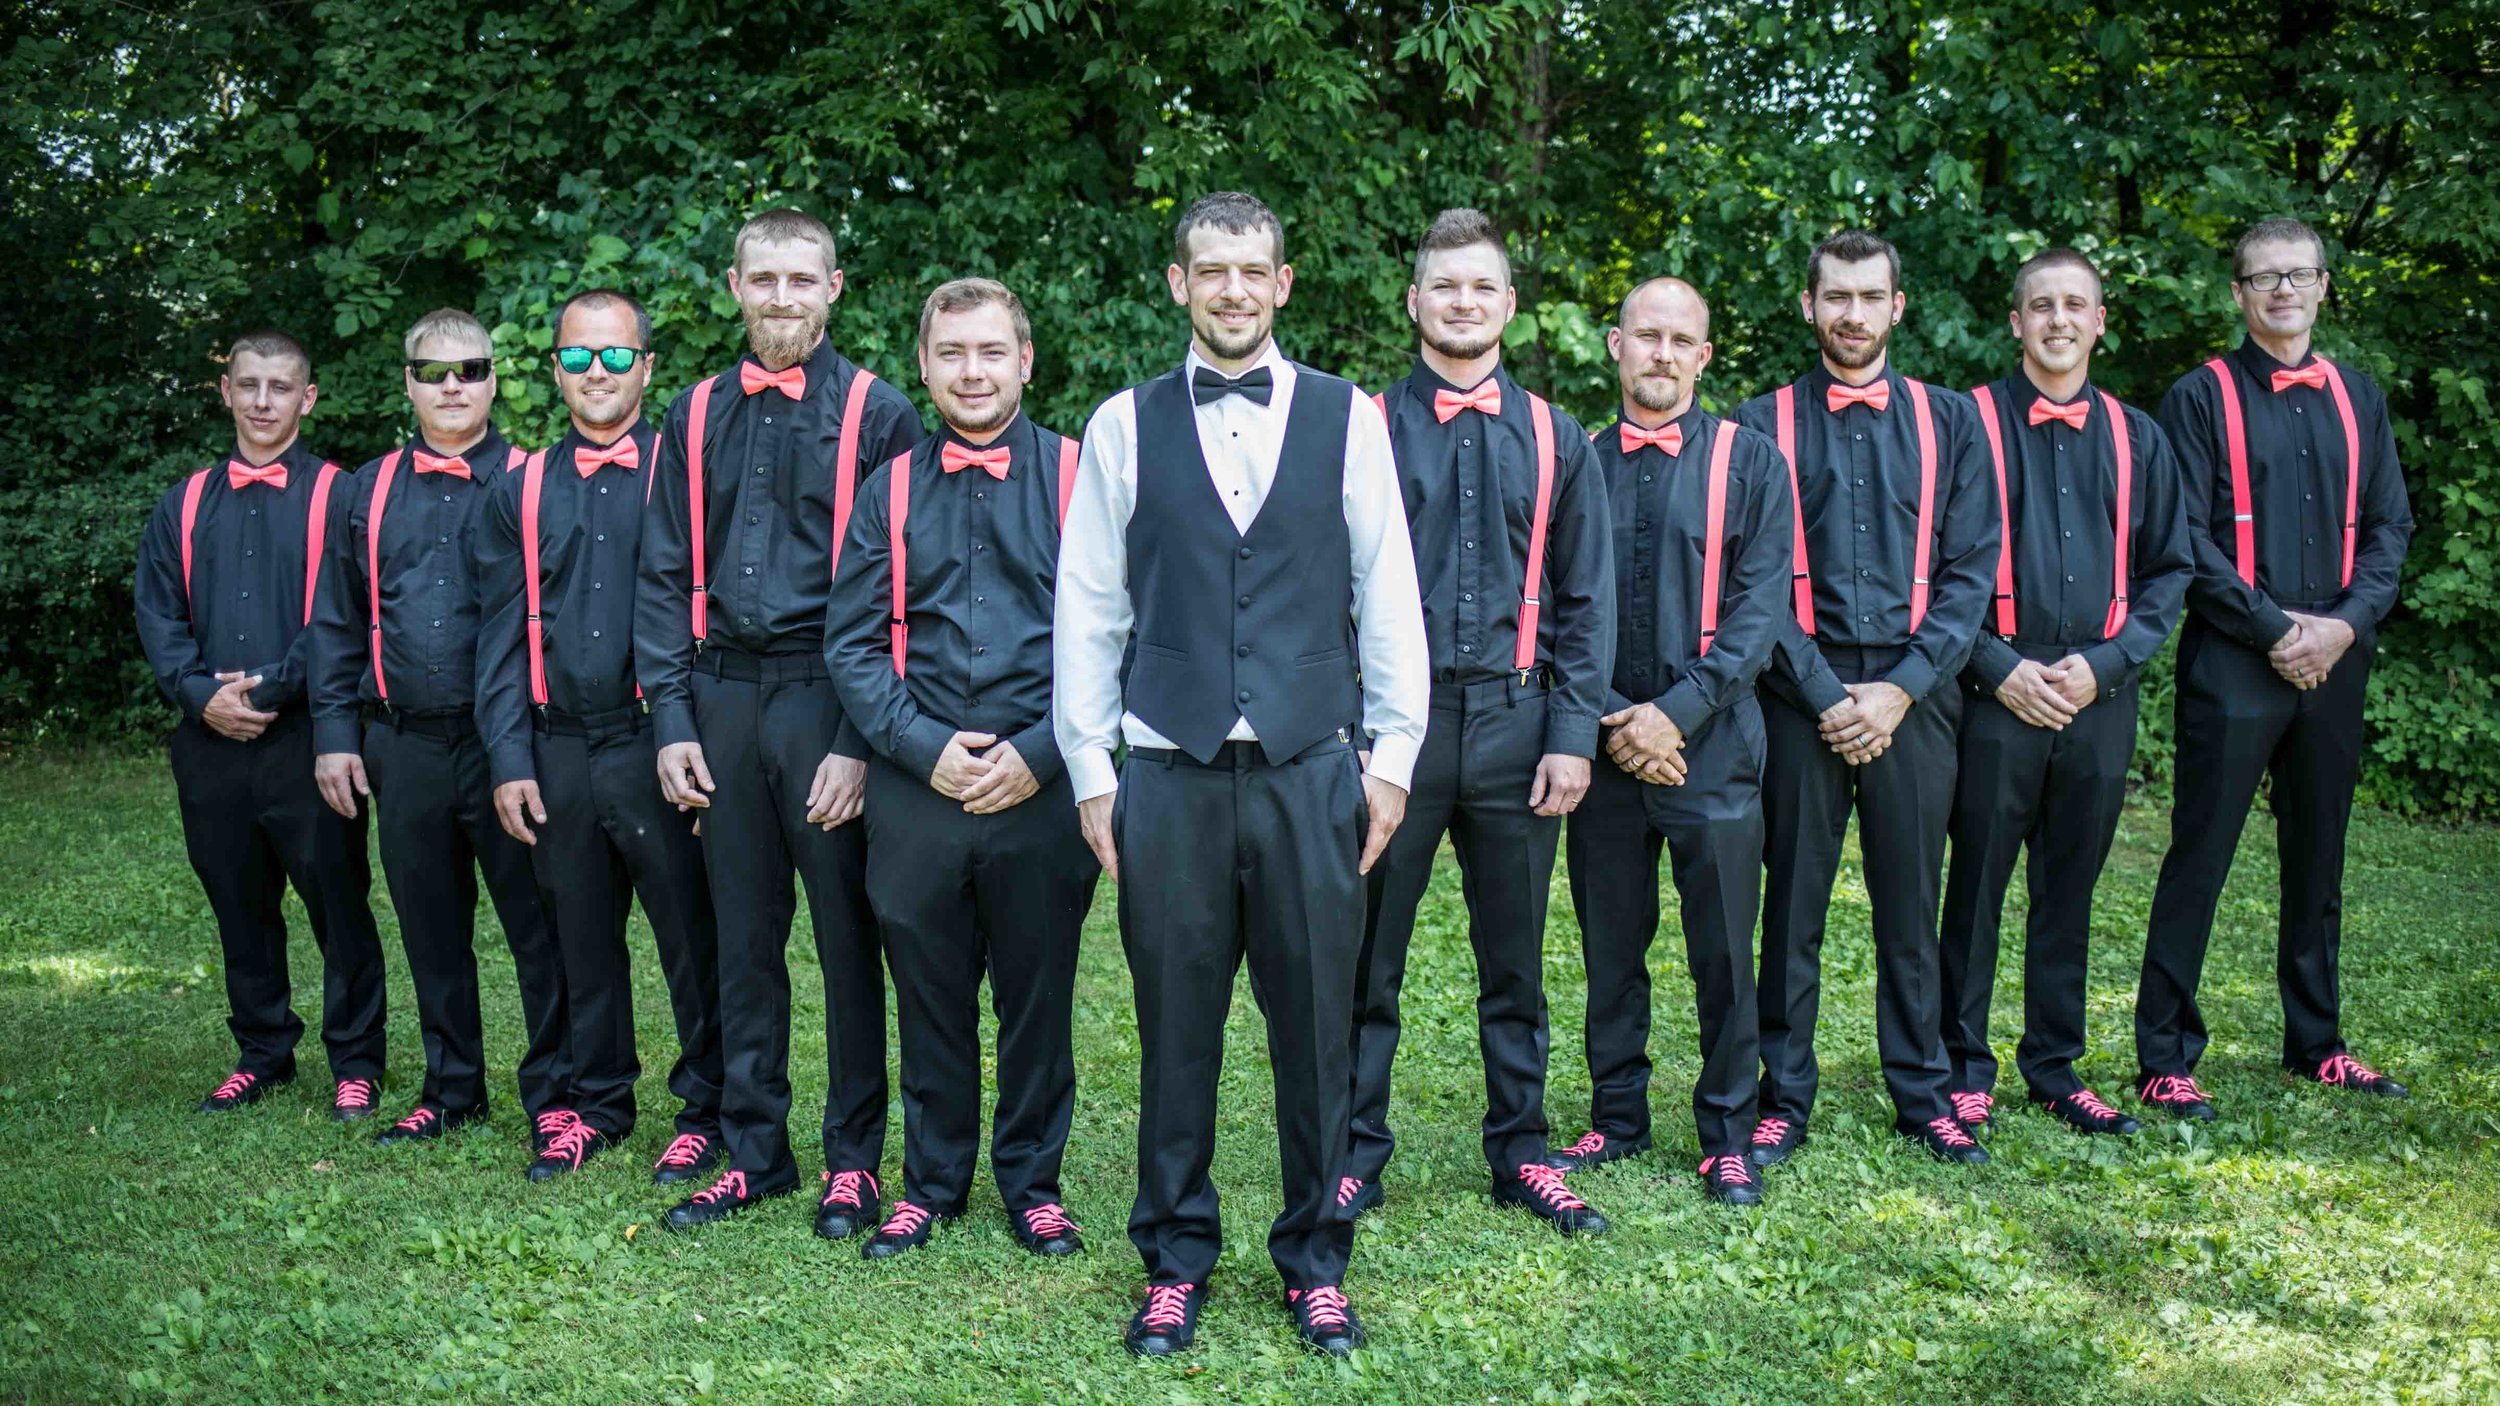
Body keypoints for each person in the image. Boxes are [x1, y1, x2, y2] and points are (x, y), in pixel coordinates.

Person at [1055, 192, 1428, 1358]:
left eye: (1250, 270)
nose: (1230, 289)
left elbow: (1388, 592)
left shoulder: (1345, 416)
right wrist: (1088, 765)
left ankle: (1316, 1255)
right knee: (1174, 1025)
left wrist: (1396, 754)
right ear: (1177, 282)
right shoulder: (1122, 422)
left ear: (1282, 282)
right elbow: (1088, 606)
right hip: (1165, 770)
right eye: (1208, 269)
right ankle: (1173, 1257)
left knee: (1318, 1027)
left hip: (1313, 770)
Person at [635, 208, 923, 1235]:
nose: (783, 298)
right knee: (740, 935)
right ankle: (756, 1148)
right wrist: (671, 719)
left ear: (834, 287)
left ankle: (854, 1157)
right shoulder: (691, 412)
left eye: (803, 280)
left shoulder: (883, 414)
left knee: (849, 938)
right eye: (765, 280)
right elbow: (663, 573)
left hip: (827, 697)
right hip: (718, 696)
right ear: (735, 286)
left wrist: (858, 740)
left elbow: (902, 587)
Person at [1343, 208, 1613, 1235]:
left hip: (1515, 720)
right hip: (1391, 731)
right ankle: (1352, 1151)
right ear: (1414, 302)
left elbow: (1586, 599)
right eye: (1443, 285)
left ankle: (1521, 1150)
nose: (1462, 302)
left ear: (1508, 305)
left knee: (1515, 958)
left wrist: (1572, 732)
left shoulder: (1557, 436)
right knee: (1368, 956)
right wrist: (1352, 735)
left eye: (1481, 286)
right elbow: (1326, 587)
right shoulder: (1361, 426)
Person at [825, 278, 1100, 1261]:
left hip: (1044, 777)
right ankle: (932, 1179)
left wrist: (1036, 753)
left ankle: (1032, 1181)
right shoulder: (886, 488)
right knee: (928, 991)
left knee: (1036, 995)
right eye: (952, 353)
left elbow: (1118, 636)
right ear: (926, 364)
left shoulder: (1081, 475)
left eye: (991, 351)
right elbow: (852, 643)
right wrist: (922, 749)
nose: (972, 370)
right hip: (918, 780)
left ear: (1026, 359)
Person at [2133, 217, 2415, 1118]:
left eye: (2297, 275)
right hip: (2233, 660)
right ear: (2239, 295)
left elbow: (2389, 529)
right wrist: (2272, 628)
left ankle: (2317, 1043)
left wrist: (2338, 629)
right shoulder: (2199, 397)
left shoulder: (2359, 396)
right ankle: (2166, 1054)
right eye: (2263, 278)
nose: (2282, 290)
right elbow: (2185, 537)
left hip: (2336, 658)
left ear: (2324, 286)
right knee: (2200, 856)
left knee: (2318, 855)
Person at [1735, 229, 2001, 1168]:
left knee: (1910, 901)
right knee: (1793, 901)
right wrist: (1821, 694)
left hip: (1915, 693)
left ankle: (1924, 1092)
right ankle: (1782, 1093)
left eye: (1870, 296)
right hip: (1794, 693)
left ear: (1898, 306)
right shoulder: (1757, 424)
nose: (1852, 314)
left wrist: (1896, 692)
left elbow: (1971, 575)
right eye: (1834, 297)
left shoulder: (1953, 422)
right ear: (1808, 306)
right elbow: (1749, 581)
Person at [473, 288, 727, 1183]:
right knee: (578, 937)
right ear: (554, 369)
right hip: (557, 746)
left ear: (646, 368)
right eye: (578, 356)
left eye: (615, 355)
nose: (596, 373)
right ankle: (596, 1103)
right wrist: (509, 756)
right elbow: (500, 633)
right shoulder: (520, 486)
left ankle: (710, 1106)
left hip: (658, 741)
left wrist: (694, 736)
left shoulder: (683, 470)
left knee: (691, 938)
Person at [1936, 249, 2191, 1137]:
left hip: (2097, 690)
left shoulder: (2140, 435)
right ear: (2015, 322)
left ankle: (2054, 1062)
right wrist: (1996, 667)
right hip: (1992, 688)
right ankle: (1961, 1064)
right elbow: (1930, 572)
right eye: (2039, 305)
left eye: (2073, 305)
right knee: (1974, 885)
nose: (2056, 320)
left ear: (2099, 320)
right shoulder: (1962, 423)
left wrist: (2109, 665)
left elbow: (2170, 571)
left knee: (2069, 885)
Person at [306, 308, 565, 1152]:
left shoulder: (538, 479)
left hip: (513, 745)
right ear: (407, 383)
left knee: (539, 924)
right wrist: (336, 734)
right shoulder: (364, 488)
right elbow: (336, 622)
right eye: (431, 372)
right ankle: (451, 1088)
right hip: (403, 742)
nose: (451, 386)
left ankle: (555, 1094)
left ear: (494, 379)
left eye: (469, 370)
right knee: (429, 922)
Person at [1558, 277, 1790, 1206]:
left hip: (1715, 746)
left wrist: (1674, 715)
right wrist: (1620, 719)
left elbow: (1759, 612)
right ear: (1614, 346)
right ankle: (1616, 1116)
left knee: (1726, 948)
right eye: (1645, 336)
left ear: (1703, 355)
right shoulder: (1571, 460)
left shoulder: (1754, 463)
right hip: (1603, 747)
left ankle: (1728, 1129)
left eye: (1680, 339)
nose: (1661, 353)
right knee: (1611, 942)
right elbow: (1555, 610)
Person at [134, 330, 389, 1119]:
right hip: (209, 740)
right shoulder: (181, 501)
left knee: (335, 901)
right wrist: (196, 691)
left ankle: (356, 1058)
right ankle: (263, 1050)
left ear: (307, 398)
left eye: (281, 387)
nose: (263, 401)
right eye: (248, 385)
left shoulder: (341, 495)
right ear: (226, 393)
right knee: (238, 903)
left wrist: (275, 688)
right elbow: (158, 611)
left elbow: (346, 614)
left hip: (309, 737)